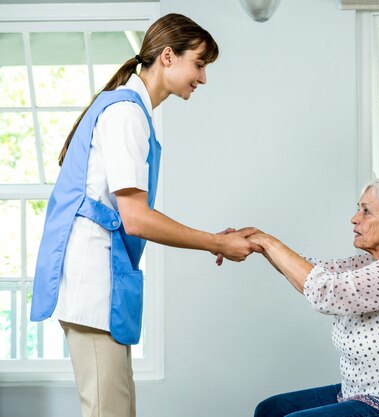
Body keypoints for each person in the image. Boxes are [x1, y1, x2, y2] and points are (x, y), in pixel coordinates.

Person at [30, 13, 258, 417]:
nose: (203, 79)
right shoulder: (126, 114)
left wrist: (214, 239)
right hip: (92, 288)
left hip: (97, 286)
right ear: (168, 57)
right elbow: (135, 218)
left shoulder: (132, 110)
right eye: (199, 65)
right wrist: (216, 243)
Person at [249, 178, 379, 417]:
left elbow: (326, 291)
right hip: (364, 393)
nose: (355, 218)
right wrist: (259, 244)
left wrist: (267, 242)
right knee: (271, 410)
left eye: (366, 211)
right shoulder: (367, 264)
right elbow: (313, 271)